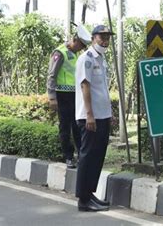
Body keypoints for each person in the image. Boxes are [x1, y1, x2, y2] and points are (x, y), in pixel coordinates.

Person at [75, 25, 115, 212]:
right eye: (102, 37)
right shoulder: (87, 59)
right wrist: (90, 114)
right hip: (90, 117)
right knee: (87, 156)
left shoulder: (101, 59)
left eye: (107, 37)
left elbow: (102, 90)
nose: (105, 40)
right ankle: (83, 199)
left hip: (102, 116)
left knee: (97, 157)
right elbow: (85, 86)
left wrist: (108, 114)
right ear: (93, 38)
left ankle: (90, 194)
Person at [47, 25, 91, 168]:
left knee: (78, 125)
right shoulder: (59, 53)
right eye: (80, 45)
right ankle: (68, 157)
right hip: (62, 95)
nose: (81, 48)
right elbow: (51, 76)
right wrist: (52, 97)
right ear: (74, 40)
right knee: (65, 127)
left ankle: (81, 155)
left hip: (75, 95)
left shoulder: (77, 54)